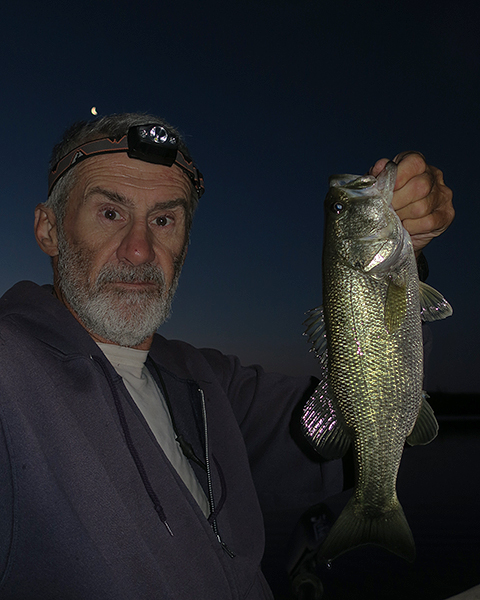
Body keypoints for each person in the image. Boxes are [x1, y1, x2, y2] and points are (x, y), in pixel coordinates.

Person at [0, 113, 454, 599]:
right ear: (48, 229)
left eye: (164, 220)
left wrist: (403, 260)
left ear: (186, 246)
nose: (138, 249)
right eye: (110, 213)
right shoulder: (10, 376)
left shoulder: (208, 381)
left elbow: (359, 412)